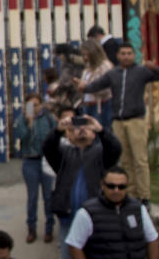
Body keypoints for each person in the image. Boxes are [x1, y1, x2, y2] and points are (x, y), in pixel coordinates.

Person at [75, 42, 159, 204]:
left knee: (140, 159)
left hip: (136, 120)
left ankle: (144, 195)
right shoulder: (113, 73)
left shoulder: (141, 71)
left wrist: (155, 68)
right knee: (125, 159)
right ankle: (130, 192)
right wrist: (84, 88)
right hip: (118, 121)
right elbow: (97, 85)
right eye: (123, 53)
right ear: (117, 56)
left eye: (129, 53)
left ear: (134, 55)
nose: (126, 56)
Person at [43, 105, 122, 259]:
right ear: (70, 135)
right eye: (77, 128)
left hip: (95, 220)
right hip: (68, 219)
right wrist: (58, 130)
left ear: (94, 134)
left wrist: (101, 130)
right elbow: (47, 148)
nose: (82, 130)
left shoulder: (101, 153)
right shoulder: (64, 154)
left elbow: (116, 149)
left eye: (86, 127)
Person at [65, 166, 159, 259]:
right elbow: (74, 246)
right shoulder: (87, 213)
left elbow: (152, 240)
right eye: (111, 186)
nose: (116, 190)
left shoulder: (138, 209)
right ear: (102, 185)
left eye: (121, 187)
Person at [12, 92, 57, 243]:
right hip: (30, 161)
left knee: (48, 197)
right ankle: (31, 228)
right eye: (31, 105)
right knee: (32, 197)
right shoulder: (21, 119)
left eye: (36, 105)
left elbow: (55, 136)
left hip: (46, 160)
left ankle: (49, 228)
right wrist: (29, 123)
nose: (34, 108)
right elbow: (22, 138)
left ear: (41, 105)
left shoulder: (48, 118)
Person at [79, 39, 114, 130]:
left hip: (100, 105)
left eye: (86, 54)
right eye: (83, 55)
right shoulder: (87, 67)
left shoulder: (104, 66)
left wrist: (88, 87)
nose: (85, 57)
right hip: (87, 104)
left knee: (100, 130)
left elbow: (107, 88)